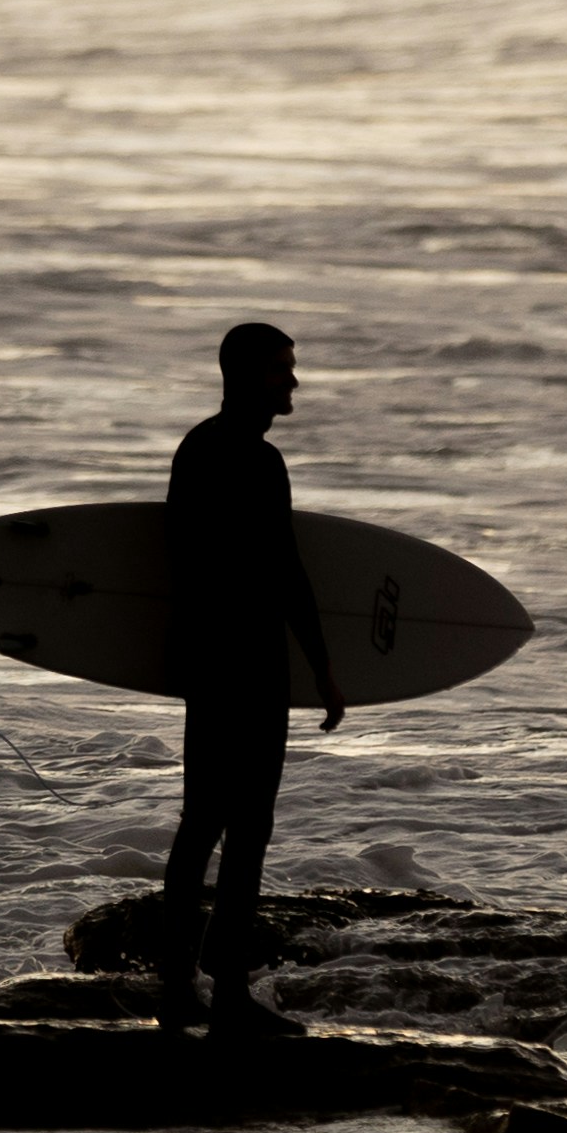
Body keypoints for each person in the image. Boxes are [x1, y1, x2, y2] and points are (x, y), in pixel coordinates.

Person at [154, 323, 335, 1036]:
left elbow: (180, 557)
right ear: (245, 374)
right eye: (281, 371)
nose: (292, 383)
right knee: (235, 825)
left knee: (211, 821)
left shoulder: (198, 449)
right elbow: (286, 572)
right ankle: (218, 992)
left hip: (217, 657)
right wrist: (322, 667)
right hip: (248, 660)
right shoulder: (253, 460)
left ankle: (186, 989)